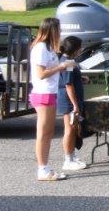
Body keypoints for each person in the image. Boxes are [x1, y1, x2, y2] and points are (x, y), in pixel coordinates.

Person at [30, 18, 77, 181]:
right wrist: (62, 66)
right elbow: (41, 74)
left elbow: (52, 70)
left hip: (50, 93)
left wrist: (66, 68)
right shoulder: (41, 48)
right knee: (43, 133)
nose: (60, 32)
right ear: (52, 30)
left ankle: (45, 167)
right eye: (58, 29)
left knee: (48, 132)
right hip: (43, 93)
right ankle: (42, 169)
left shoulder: (49, 48)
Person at [57, 35, 88, 172]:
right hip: (68, 101)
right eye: (80, 47)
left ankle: (72, 156)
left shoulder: (66, 60)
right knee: (69, 130)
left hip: (69, 99)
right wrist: (75, 105)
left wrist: (80, 78)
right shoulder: (68, 62)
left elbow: (69, 79)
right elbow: (68, 84)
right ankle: (68, 160)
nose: (81, 49)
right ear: (75, 48)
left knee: (73, 129)